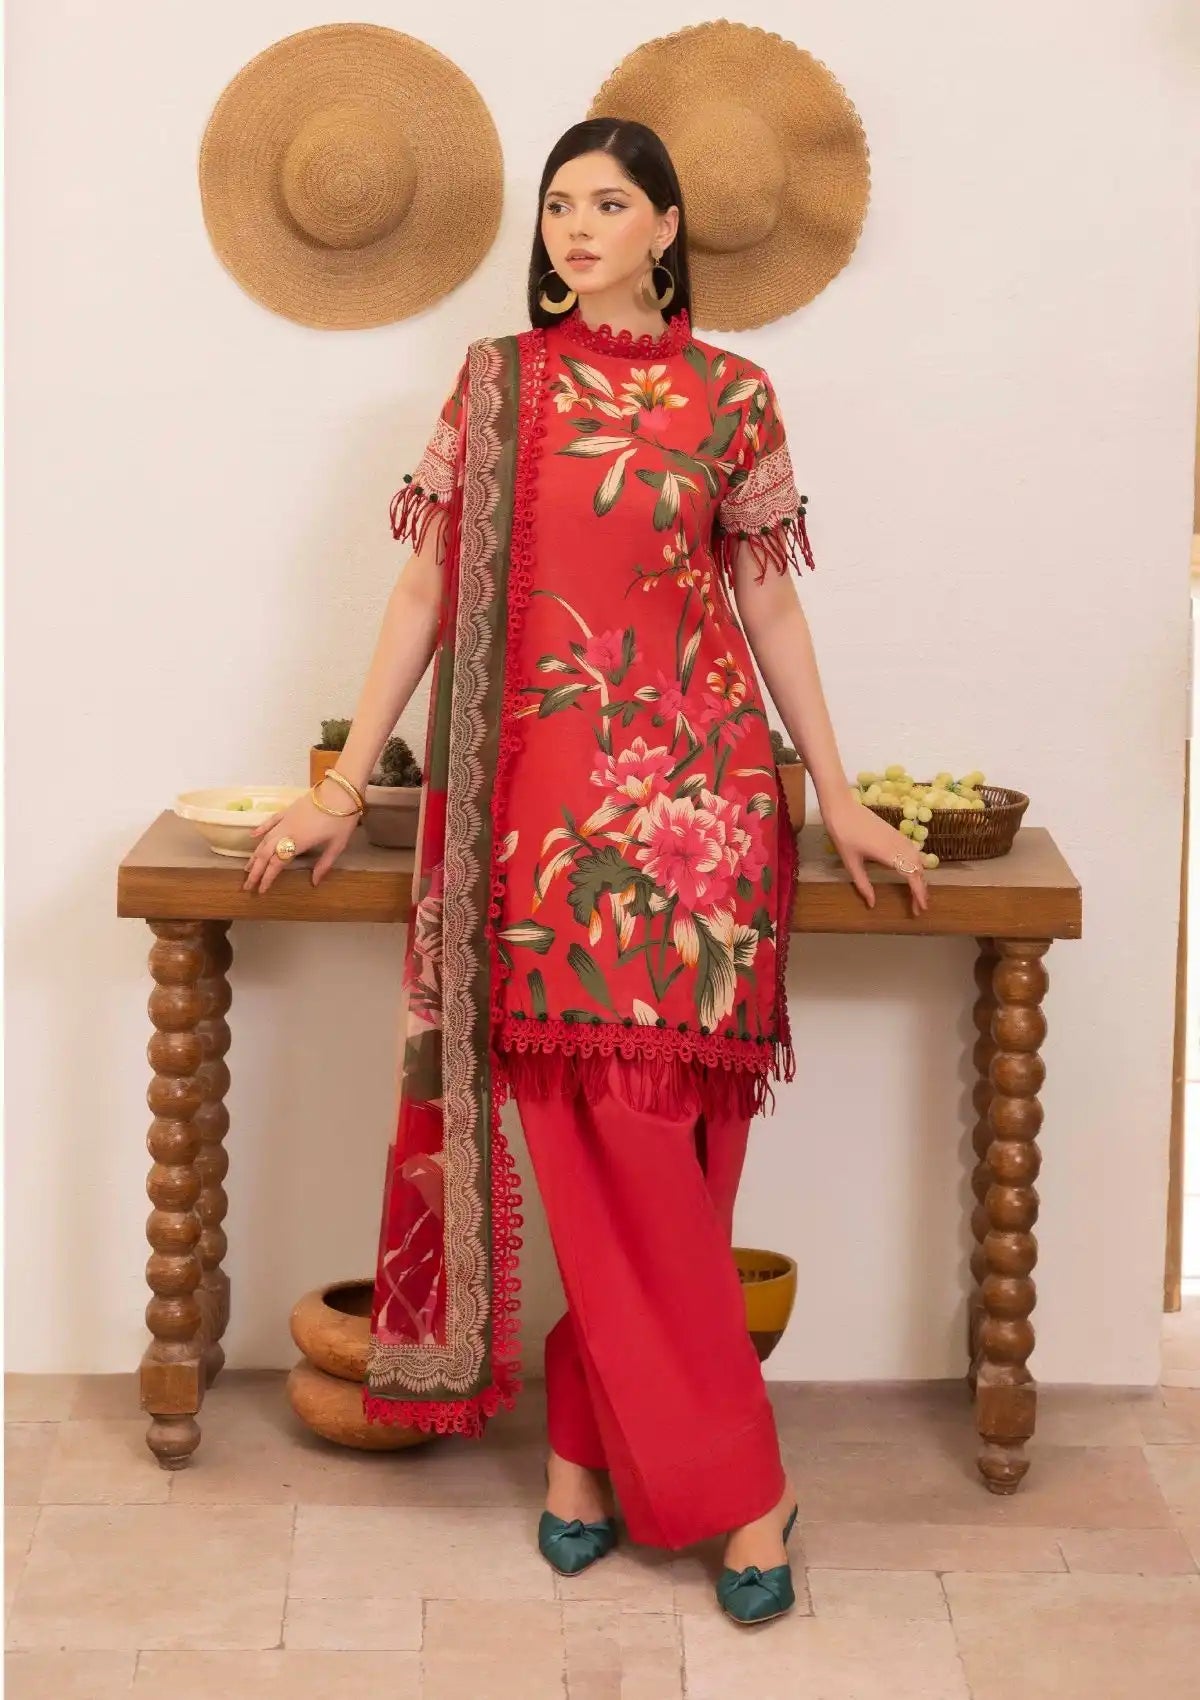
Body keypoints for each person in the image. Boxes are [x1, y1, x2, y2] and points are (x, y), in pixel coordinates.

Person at [242, 118, 929, 1625]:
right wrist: (345, 782)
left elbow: (768, 604)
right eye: (560, 204)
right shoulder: (498, 385)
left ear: (665, 226)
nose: (575, 226)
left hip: (712, 811)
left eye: (609, 202)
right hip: (544, 823)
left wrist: (838, 795)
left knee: (683, 1152)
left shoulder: (733, 398)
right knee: (602, 1138)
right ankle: (745, 1489)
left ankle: (581, 1455)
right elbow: (426, 586)